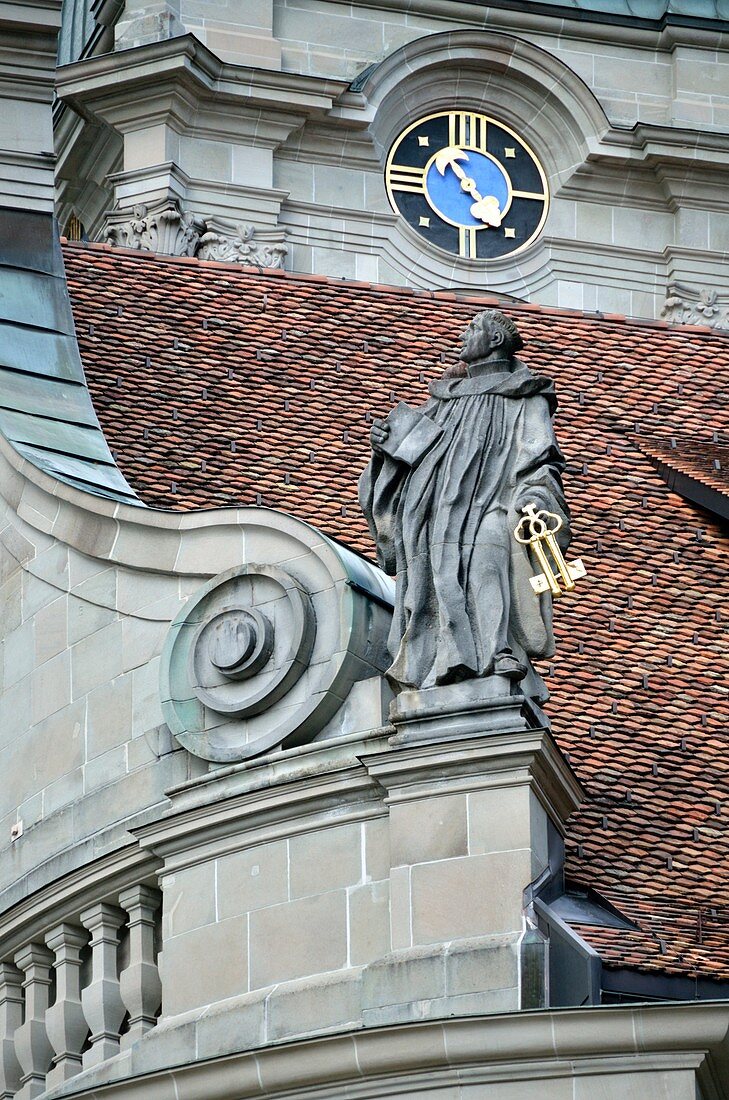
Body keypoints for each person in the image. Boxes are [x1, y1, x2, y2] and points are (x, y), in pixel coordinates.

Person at [359, 308, 570, 706]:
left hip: (496, 503)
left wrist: (533, 499)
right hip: (435, 513)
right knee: (436, 577)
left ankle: (496, 654)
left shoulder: (526, 396)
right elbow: (410, 456)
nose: (462, 336)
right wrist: (385, 449)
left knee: (488, 563)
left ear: (494, 340)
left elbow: (540, 458)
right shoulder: (444, 399)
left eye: (472, 329)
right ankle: (444, 660)